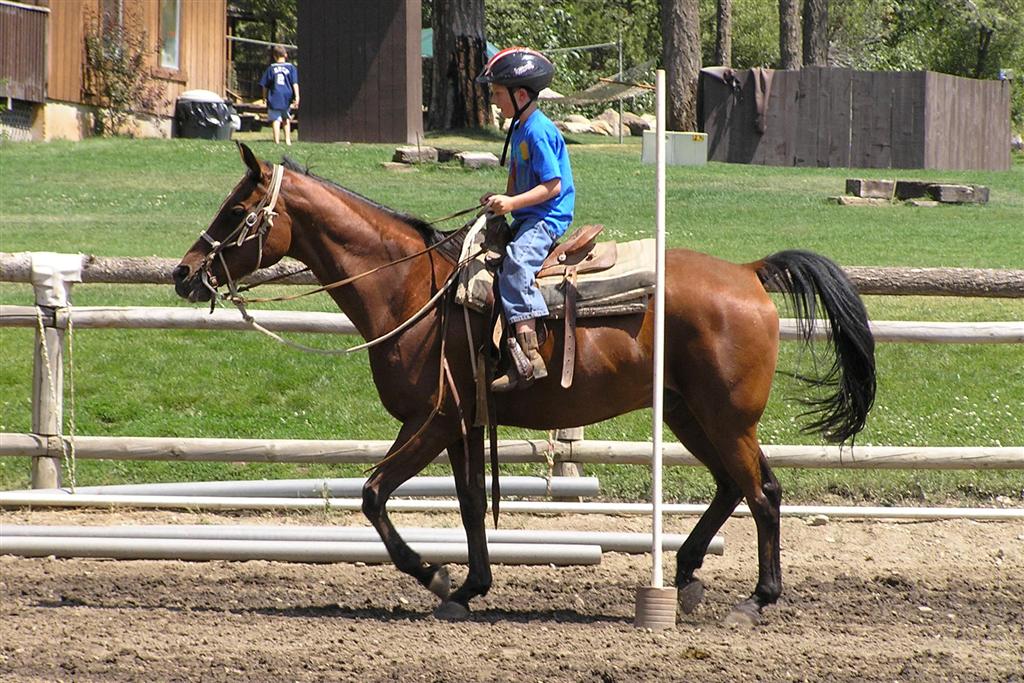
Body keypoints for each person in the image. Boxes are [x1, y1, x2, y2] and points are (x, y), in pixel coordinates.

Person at [476, 48, 575, 392]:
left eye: (497, 94)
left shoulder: (538, 131)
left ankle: (530, 354)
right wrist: (501, 200)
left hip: (546, 217)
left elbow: (553, 185)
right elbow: (516, 176)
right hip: (527, 214)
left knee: (517, 265)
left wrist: (513, 203)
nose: (494, 101)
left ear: (520, 96)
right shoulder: (520, 127)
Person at [259, 45, 299, 145]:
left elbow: (265, 85)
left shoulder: (271, 68)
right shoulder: (291, 68)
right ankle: (288, 140)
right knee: (286, 118)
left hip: (274, 95)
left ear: (274, 56)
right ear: (286, 55)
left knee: (276, 119)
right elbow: (295, 83)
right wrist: (297, 96)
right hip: (286, 96)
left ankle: (276, 141)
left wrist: (264, 97)